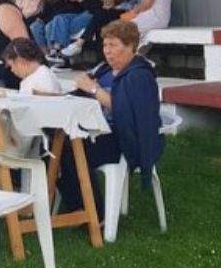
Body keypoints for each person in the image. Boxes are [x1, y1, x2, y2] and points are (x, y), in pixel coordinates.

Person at [67, 20, 163, 213]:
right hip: (99, 131)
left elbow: (125, 109)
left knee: (70, 153)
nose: (107, 51)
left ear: (130, 47)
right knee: (57, 144)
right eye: (105, 45)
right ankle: (76, 205)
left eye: (113, 45)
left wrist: (93, 89)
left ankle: (93, 213)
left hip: (123, 140)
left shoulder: (139, 75)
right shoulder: (104, 70)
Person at [46, 0, 107, 66]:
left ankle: (61, 54)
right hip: (82, 13)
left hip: (93, 14)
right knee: (53, 23)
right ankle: (56, 50)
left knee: (59, 23)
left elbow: (95, 7)